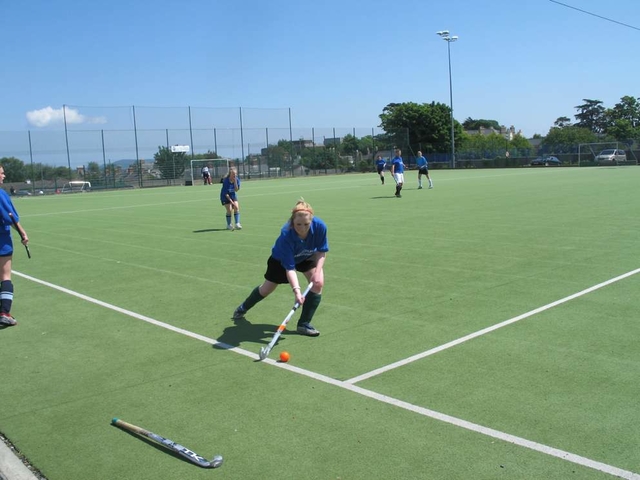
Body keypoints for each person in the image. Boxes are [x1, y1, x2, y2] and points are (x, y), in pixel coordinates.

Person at [232, 199, 328, 337]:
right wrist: (297, 292)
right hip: (280, 260)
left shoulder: (320, 227)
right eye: (298, 224)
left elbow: (321, 251)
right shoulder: (286, 234)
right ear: (292, 221)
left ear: (312, 221)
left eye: (306, 224)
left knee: (318, 284)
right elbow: (290, 268)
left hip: (306, 255)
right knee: (266, 289)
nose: (302, 228)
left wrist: (317, 272)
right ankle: (243, 307)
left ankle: (303, 324)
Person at [0, 166, 29, 327]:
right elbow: (10, 217)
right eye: (2, 173)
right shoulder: (1, 195)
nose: (4, 175)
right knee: (5, 276)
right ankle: (5, 312)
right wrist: (23, 234)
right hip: (1, 240)